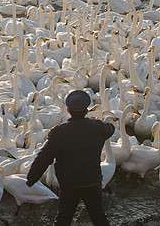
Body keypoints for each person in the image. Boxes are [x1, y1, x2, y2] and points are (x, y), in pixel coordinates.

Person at [26, 90, 115, 226]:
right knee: (98, 217)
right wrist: (103, 122)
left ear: (68, 110)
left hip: (69, 184)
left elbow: (44, 156)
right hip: (92, 182)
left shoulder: (59, 132)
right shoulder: (98, 127)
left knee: (63, 218)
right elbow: (111, 128)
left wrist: (31, 178)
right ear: (86, 111)